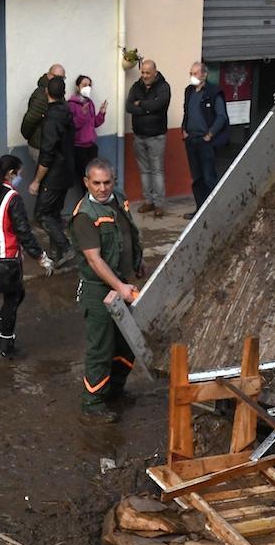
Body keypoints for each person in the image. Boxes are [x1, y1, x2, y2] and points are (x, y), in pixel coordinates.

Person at [67, 158, 143, 421]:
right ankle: (93, 404)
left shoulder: (117, 199)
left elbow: (127, 235)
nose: (102, 188)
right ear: (86, 182)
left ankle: (114, 390)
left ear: (114, 181)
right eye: (96, 183)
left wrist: (136, 265)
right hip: (98, 291)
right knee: (101, 348)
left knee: (127, 344)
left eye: (107, 182)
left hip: (123, 285)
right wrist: (120, 286)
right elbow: (94, 260)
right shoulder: (85, 216)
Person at [0, 155, 45, 359]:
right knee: (13, 298)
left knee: (15, 295)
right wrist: (40, 256)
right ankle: (5, 344)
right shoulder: (12, 198)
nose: (20, 178)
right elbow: (23, 231)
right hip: (8, 259)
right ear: (11, 173)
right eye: (19, 173)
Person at [29, 75, 76, 266]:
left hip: (54, 175)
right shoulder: (66, 111)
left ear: (47, 92)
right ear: (63, 93)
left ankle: (65, 248)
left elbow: (47, 153)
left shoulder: (51, 118)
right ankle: (57, 255)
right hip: (66, 171)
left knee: (42, 214)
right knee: (54, 213)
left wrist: (36, 181)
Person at [183, 61, 230, 216]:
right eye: (191, 73)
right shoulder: (189, 91)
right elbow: (187, 112)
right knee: (197, 179)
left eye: (195, 73)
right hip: (191, 140)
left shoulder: (213, 92)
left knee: (209, 177)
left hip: (205, 142)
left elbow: (221, 117)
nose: (192, 76)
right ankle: (200, 210)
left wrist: (210, 134)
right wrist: (184, 130)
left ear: (204, 74)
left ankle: (215, 211)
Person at [126, 59, 172, 215]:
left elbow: (159, 104)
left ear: (155, 73)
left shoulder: (163, 87)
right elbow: (129, 106)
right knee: (144, 171)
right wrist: (147, 108)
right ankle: (148, 202)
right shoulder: (136, 86)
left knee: (157, 171)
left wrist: (142, 104)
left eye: (147, 73)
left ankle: (159, 204)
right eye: (143, 72)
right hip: (139, 135)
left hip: (156, 136)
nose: (144, 76)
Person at [68, 74, 108, 184]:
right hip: (79, 148)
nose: (87, 88)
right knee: (85, 180)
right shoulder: (72, 104)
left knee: (94, 178)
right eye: (84, 85)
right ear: (78, 87)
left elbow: (93, 123)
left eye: (89, 85)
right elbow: (72, 125)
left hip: (91, 146)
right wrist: (82, 114)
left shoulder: (89, 103)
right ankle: (86, 200)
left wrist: (101, 113)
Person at [22, 63, 67, 154]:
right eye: (56, 76)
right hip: (40, 145)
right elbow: (30, 120)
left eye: (62, 78)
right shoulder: (42, 94)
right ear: (49, 75)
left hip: (52, 144)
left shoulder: (58, 92)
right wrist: (29, 136)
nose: (59, 80)